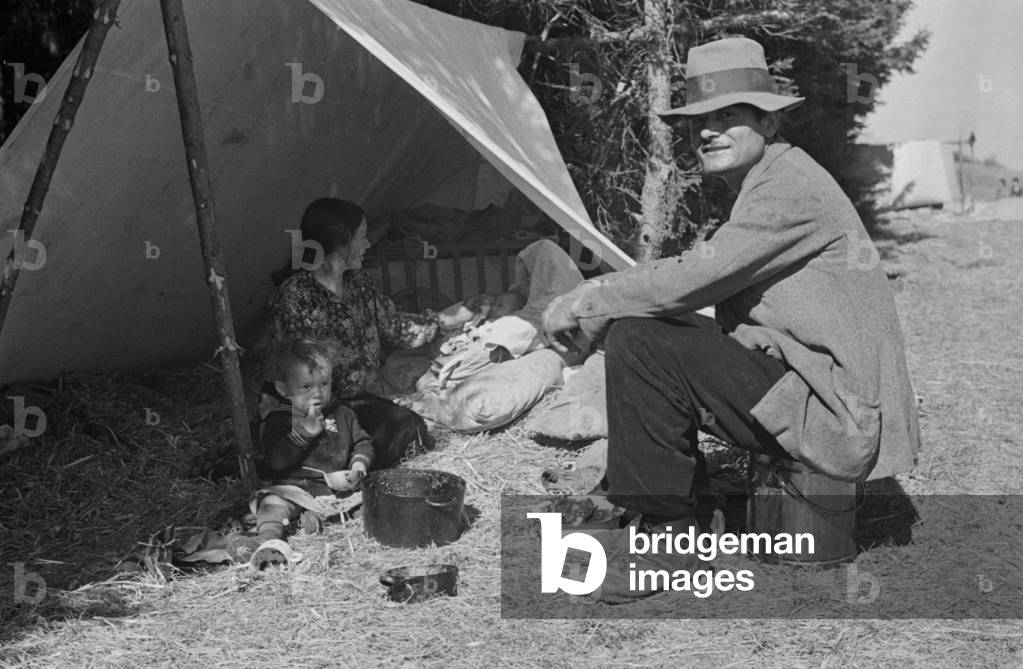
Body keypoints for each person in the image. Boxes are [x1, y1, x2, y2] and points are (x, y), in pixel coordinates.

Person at [543, 37, 920, 540]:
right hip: (817, 386)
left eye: (727, 116)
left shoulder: (788, 190)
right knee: (653, 332)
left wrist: (586, 301)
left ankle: (665, 537)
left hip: (838, 417)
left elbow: (689, 281)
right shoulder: (768, 178)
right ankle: (690, 499)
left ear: (769, 122)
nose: (708, 131)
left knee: (640, 343)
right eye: (700, 121)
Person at [266, 198, 458, 467]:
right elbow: (290, 366)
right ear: (341, 242)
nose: (368, 245)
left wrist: (446, 321)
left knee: (410, 428)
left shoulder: (360, 285)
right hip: (315, 406)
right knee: (357, 439)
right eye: (363, 237)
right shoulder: (294, 298)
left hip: (360, 404)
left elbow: (396, 328)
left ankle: (353, 464)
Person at [252, 338, 374, 542]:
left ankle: (315, 519)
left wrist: (359, 464)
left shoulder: (341, 413)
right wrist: (303, 434)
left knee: (368, 498)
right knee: (272, 503)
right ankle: (268, 539)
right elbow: (276, 461)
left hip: (336, 490)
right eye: (306, 387)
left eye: (324, 384)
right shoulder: (280, 419)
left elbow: (362, 442)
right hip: (294, 488)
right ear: (283, 390)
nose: (318, 393)